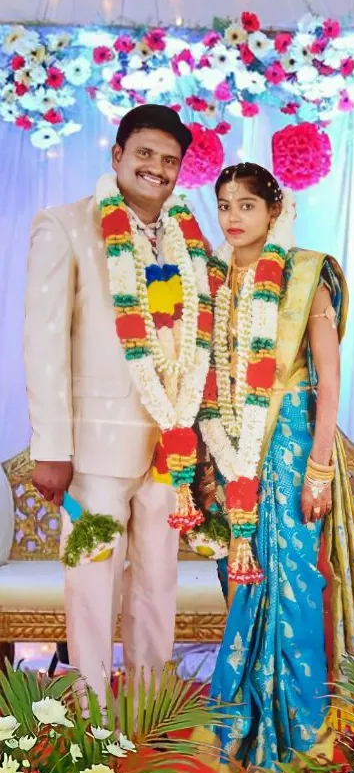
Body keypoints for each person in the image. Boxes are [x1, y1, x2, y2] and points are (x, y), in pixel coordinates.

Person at [194, 162, 354, 773]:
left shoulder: (307, 275)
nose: (233, 217)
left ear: (273, 212)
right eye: (224, 204)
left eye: (247, 205)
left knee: (297, 578)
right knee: (242, 574)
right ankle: (243, 728)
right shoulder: (214, 280)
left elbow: (328, 383)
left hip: (291, 446)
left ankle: (302, 731)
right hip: (234, 454)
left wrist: (318, 468)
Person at [24, 104, 213, 702]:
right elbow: (43, 341)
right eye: (145, 154)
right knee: (92, 580)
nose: (156, 168)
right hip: (94, 448)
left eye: (170, 160)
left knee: (158, 581)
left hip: (169, 445)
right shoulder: (67, 225)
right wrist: (50, 447)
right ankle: (89, 717)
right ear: (117, 156)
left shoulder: (189, 237)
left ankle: (148, 709)